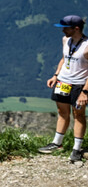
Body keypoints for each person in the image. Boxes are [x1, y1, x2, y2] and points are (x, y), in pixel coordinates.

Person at [38, 14, 88, 163]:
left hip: (79, 85)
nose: (62, 31)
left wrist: (85, 92)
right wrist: (55, 75)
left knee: (78, 115)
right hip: (62, 82)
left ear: (76, 28)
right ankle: (56, 143)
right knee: (62, 112)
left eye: (65, 28)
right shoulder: (66, 40)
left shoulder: (87, 47)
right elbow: (64, 59)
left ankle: (76, 149)